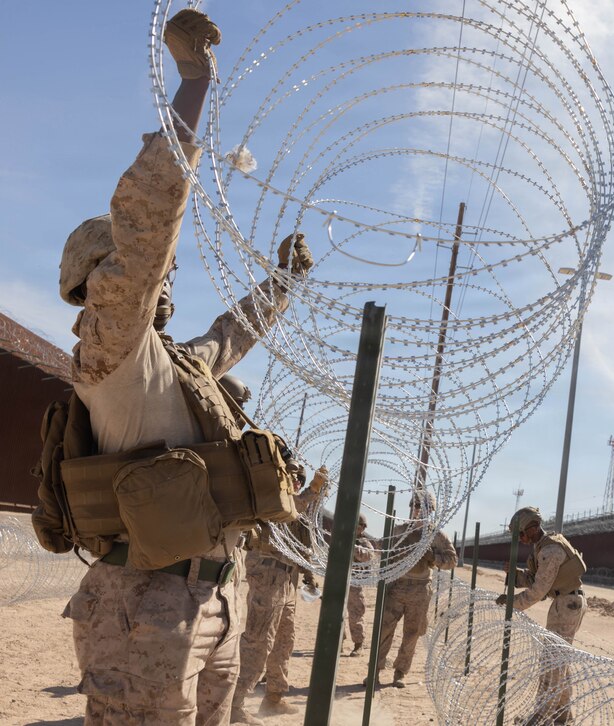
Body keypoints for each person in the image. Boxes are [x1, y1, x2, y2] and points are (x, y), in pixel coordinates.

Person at [36, 10, 314, 724]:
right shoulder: (112, 353)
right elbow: (147, 229)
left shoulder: (177, 365)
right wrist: (194, 89)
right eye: (152, 275)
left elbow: (232, 334)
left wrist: (283, 283)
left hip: (211, 597)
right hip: (144, 608)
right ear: (103, 281)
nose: (167, 281)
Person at [231, 466, 327, 723]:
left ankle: (273, 697)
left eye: (301, 480)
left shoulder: (297, 506)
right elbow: (289, 509)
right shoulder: (273, 498)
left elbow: (301, 541)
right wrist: (312, 491)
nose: (297, 483)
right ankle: (235, 703)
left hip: (287, 578)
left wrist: (307, 576)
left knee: (285, 639)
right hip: (268, 575)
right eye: (293, 478)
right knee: (258, 640)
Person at [497, 506, 588, 725]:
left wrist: (513, 604)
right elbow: (535, 579)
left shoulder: (550, 551)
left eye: (522, 533)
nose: (520, 539)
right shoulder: (543, 548)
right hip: (566, 602)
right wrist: (515, 577)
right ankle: (563, 716)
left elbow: (538, 591)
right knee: (559, 662)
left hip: (567, 605)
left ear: (535, 527)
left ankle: (541, 718)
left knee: (551, 664)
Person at [369, 490, 456, 688]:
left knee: (412, 634)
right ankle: (374, 671)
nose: (418, 511)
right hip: (397, 587)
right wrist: (367, 545)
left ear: (430, 511)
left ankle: (400, 673)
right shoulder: (399, 530)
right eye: (415, 506)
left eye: (423, 508)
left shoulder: (436, 535)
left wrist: (433, 557)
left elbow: (452, 560)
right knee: (384, 630)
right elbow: (381, 546)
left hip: (420, 589)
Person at [345, 515, 375, 657]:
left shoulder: (364, 542)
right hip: (341, 579)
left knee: (356, 614)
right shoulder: (343, 537)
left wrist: (353, 547)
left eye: (358, 526)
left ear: (363, 528)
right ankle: (338, 642)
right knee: (336, 612)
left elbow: (367, 556)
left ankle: (358, 644)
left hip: (355, 583)